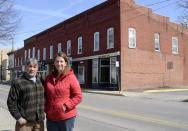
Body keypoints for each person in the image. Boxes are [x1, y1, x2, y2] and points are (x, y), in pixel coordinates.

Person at [44, 52, 83, 131]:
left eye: (61, 61)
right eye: (57, 61)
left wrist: (66, 106)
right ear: (54, 63)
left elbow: (78, 96)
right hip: (51, 117)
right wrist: (46, 108)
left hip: (66, 117)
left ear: (65, 63)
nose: (59, 63)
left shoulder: (71, 77)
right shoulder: (48, 78)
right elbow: (44, 95)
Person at [7, 58, 45, 131]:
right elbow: (11, 102)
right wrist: (18, 117)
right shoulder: (18, 82)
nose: (32, 69)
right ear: (25, 67)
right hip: (24, 124)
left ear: (37, 68)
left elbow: (45, 98)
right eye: (30, 66)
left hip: (39, 123)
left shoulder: (40, 81)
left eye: (34, 67)